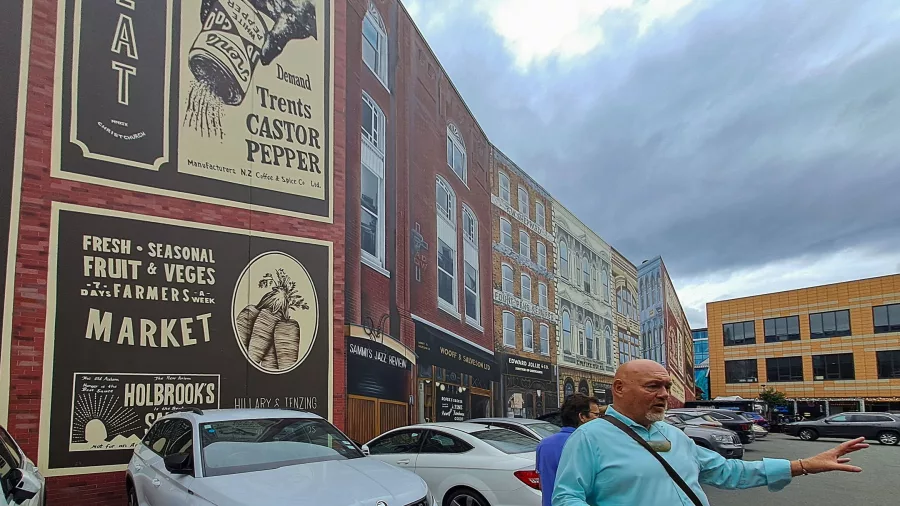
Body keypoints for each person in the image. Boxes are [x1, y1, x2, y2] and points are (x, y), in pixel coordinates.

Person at [552, 360, 868, 506]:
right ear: (618, 389)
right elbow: (567, 499)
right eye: (653, 386)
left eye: (666, 386)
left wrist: (803, 466)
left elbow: (726, 472)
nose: (664, 394)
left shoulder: (673, 435)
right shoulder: (589, 437)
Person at [536, 393, 602, 506]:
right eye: (596, 415)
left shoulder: (543, 445)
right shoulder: (588, 444)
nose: (599, 419)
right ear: (582, 417)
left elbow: (542, 484)